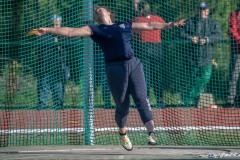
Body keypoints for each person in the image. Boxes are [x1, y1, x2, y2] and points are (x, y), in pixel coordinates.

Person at [35, 6, 185, 151]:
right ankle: (122, 133)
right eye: (96, 10)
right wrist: (47, 30)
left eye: (101, 8)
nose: (98, 9)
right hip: (114, 68)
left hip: (133, 64)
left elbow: (149, 25)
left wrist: (170, 24)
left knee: (141, 98)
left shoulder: (124, 24)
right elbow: (70, 32)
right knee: (122, 105)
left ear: (108, 12)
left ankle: (152, 134)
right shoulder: (95, 29)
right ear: (96, 17)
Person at [180, 2, 222, 107]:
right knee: (193, 79)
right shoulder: (190, 21)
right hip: (192, 57)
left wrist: (207, 40)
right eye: (201, 9)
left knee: (205, 78)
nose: (202, 12)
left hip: (207, 56)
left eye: (205, 10)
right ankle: (194, 102)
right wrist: (191, 38)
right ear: (197, 10)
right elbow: (181, 33)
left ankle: (188, 99)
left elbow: (218, 36)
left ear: (208, 11)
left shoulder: (213, 22)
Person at [133, 0, 166, 108]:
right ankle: (160, 100)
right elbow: (163, 27)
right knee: (157, 76)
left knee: (144, 76)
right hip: (157, 49)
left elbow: (135, 35)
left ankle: (145, 100)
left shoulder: (138, 20)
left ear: (142, 9)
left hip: (144, 49)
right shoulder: (157, 19)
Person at [35, 14, 70, 110]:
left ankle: (58, 106)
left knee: (58, 91)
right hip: (45, 68)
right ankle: (42, 108)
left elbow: (70, 40)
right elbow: (36, 38)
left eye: (58, 24)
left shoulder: (64, 35)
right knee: (43, 90)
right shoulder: (43, 36)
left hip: (59, 69)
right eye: (54, 25)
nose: (56, 27)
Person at [227, 1, 240, 108]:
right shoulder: (234, 14)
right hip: (237, 49)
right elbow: (232, 30)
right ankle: (231, 101)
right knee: (234, 76)